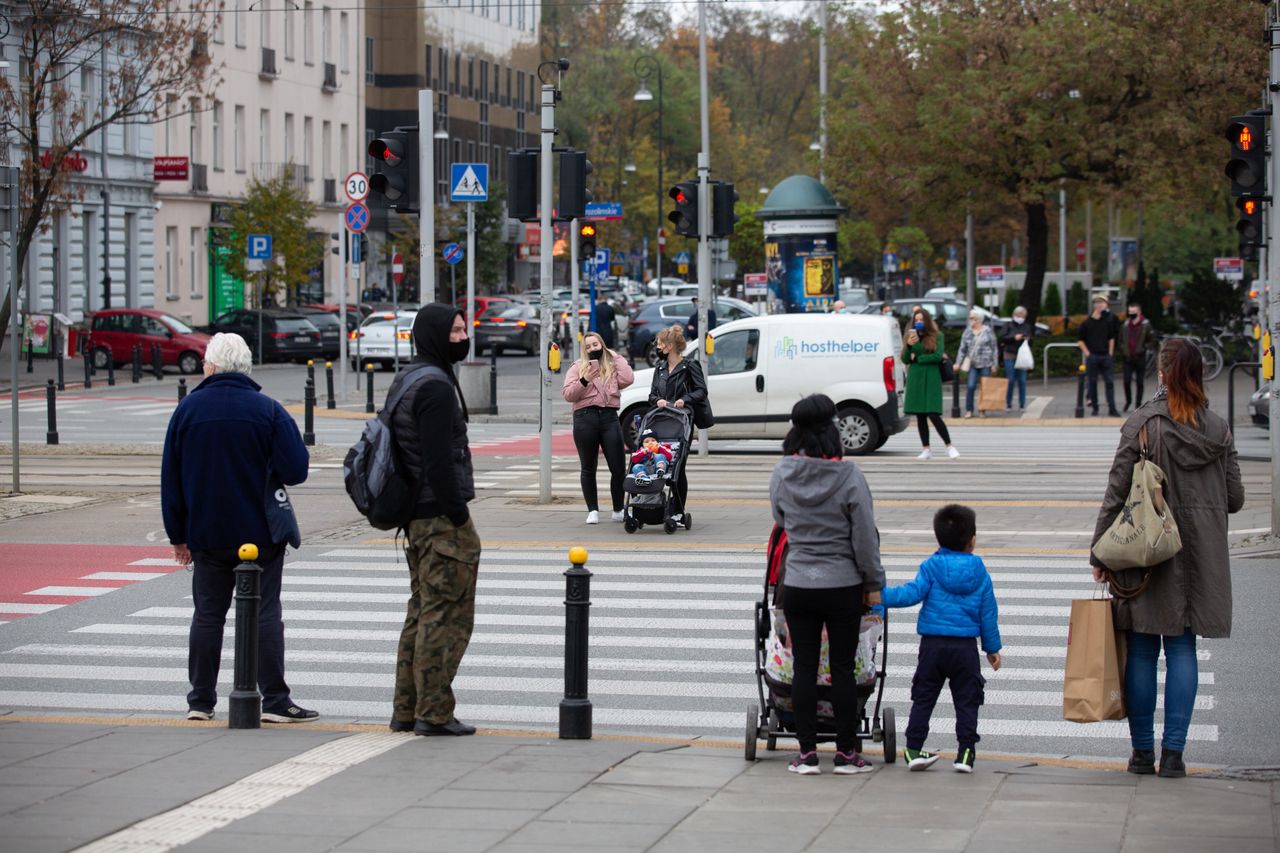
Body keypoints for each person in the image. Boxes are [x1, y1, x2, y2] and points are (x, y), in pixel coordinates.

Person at [1091, 339, 1243, 778]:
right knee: (1182, 650)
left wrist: (1099, 552)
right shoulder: (1218, 429)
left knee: (1140, 650)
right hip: (1200, 558)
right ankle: (1173, 755)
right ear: (1199, 377)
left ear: (1161, 374)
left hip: (1145, 554)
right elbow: (1234, 498)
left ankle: (1141, 755)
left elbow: (1116, 494)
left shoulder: (1141, 425)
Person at [161, 332, 318, 724]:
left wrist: (178, 537)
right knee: (266, 612)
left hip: (207, 534)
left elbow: (171, 480)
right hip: (261, 531)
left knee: (208, 615)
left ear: (210, 366)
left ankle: (200, 701)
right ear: (246, 366)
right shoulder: (268, 409)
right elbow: (296, 470)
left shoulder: (187, 411)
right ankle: (276, 701)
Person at [769, 394, 885, 775]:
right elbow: (865, 538)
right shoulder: (850, 476)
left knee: (803, 666)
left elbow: (781, 521)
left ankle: (805, 754)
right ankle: (847, 753)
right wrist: (873, 583)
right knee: (841, 667)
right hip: (842, 586)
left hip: (799, 583)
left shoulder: (782, 472)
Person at [389, 303, 483, 736]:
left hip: (416, 517)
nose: (464, 337)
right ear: (434, 334)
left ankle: (407, 709)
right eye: (457, 330)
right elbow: (438, 460)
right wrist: (458, 512)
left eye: (464, 328)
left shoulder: (408, 378)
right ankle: (434, 711)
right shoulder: (436, 387)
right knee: (444, 616)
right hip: (440, 517)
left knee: (422, 610)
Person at [881, 505, 1002, 773]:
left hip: (933, 646)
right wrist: (992, 648)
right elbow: (988, 612)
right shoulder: (979, 571)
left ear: (938, 538)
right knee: (967, 700)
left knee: (923, 696)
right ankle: (966, 753)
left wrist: (880, 596)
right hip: (965, 649)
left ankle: (913, 750)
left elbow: (911, 593)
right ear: (972, 539)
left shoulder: (931, 566)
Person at [562, 331, 634, 524]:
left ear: (602, 345)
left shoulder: (611, 366)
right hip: (586, 419)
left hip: (610, 417)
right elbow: (568, 394)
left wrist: (615, 356)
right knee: (588, 467)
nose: (592, 349)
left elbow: (628, 379)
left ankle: (618, 508)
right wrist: (584, 379)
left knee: (618, 467)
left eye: (596, 344)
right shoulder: (577, 367)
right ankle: (592, 509)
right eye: (588, 346)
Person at [648, 325, 708, 515]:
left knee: (678, 466)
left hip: (682, 422)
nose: (658, 347)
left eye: (660, 343)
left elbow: (701, 390)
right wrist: (658, 400)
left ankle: (678, 509)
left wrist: (685, 400)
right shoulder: (659, 368)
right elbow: (652, 395)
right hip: (662, 421)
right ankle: (657, 505)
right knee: (661, 462)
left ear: (670, 345)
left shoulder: (690, 366)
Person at [902, 307, 959, 459]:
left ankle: (949, 446)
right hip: (916, 377)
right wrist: (909, 346)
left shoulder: (937, 335)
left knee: (933, 413)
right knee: (920, 415)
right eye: (917, 320)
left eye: (921, 320)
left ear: (927, 321)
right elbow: (905, 359)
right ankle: (926, 449)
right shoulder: (911, 336)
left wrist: (919, 358)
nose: (919, 322)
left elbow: (938, 356)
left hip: (932, 376)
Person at [1078, 295, 1121, 417]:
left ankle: (1112, 407)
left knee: (1109, 382)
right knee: (1092, 382)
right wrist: (1088, 353)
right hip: (1093, 356)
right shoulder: (1086, 323)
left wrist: (1110, 353)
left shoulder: (1107, 322)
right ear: (1094, 306)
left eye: (1101, 303)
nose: (1099, 306)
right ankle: (1095, 407)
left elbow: (1111, 338)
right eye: (1097, 303)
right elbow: (1080, 340)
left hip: (1105, 356)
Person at [956, 310, 998, 419]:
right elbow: (962, 349)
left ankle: (982, 410)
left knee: (984, 388)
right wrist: (958, 363)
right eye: (970, 318)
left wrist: (994, 363)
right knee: (970, 386)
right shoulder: (967, 332)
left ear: (978, 320)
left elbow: (994, 348)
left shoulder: (988, 331)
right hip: (973, 364)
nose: (970, 320)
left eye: (972, 318)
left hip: (986, 363)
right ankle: (969, 410)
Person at [1120, 302, 1153, 412]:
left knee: (1140, 382)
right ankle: (1128, 401)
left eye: (1133, 312)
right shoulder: (1125, 325)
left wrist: (1144, 348)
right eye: (1130, 312)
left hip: (1140, 356)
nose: (1131, 314)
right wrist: (1123, 349)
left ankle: (1138, 404)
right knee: (1126, 380)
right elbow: (1120, 340)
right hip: (1128, 358)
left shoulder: (1145, 324)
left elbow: (1151, 340)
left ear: (1139, 312)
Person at [1000, 306, 1035, 412]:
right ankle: (1008, 403)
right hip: (1009, 354)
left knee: (1022, 380)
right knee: (1010, 380)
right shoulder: (1008, 325)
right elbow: (1002, 338)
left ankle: (1022, 404)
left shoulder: (1026, 326)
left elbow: (1031, 341)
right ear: (1014, 315)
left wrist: (1028, 339)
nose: (1021, 318)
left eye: (1023, 316)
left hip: (1022, 356)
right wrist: (1014, 338)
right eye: (1019, 316)